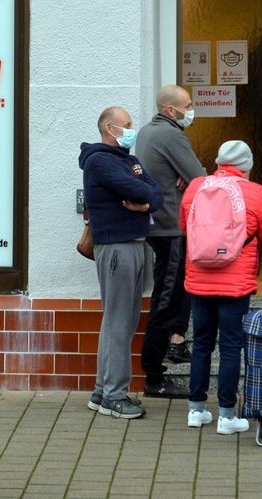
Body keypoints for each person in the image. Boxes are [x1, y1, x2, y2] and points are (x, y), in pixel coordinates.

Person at [181, 141, 262, 433]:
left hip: (199, 280)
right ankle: (227, 416)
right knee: (230, 347)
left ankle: (195, 411)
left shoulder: (195, 187)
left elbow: (183, 225)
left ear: (218, 162)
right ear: (246, 165)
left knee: (200, 344)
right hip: (235, 284)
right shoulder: (255, 191)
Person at [78, 106, 165, 419]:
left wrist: (146, 203)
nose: (132, 129)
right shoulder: (100, 160)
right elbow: (137, 189)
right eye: (126, 124)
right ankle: (114, 395)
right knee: (118, 322)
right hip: (116, 247)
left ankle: (103, 390)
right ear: (109, 128)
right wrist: (145, 198)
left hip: (135, 245)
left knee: (120, 321)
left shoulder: (130, 160)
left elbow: (156, 193)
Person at [134, 85, 206, 398]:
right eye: (188, 105)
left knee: (176, 289)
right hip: (171, 227)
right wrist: (190, 173)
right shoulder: (172, 135)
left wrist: (185, 173)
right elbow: (200, 177)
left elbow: (186, 174)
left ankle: (176, 343)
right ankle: (154, 376)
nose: (192, 110)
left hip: (158, 227)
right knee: (167, 298)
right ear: (171, 110)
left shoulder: (147, 132)